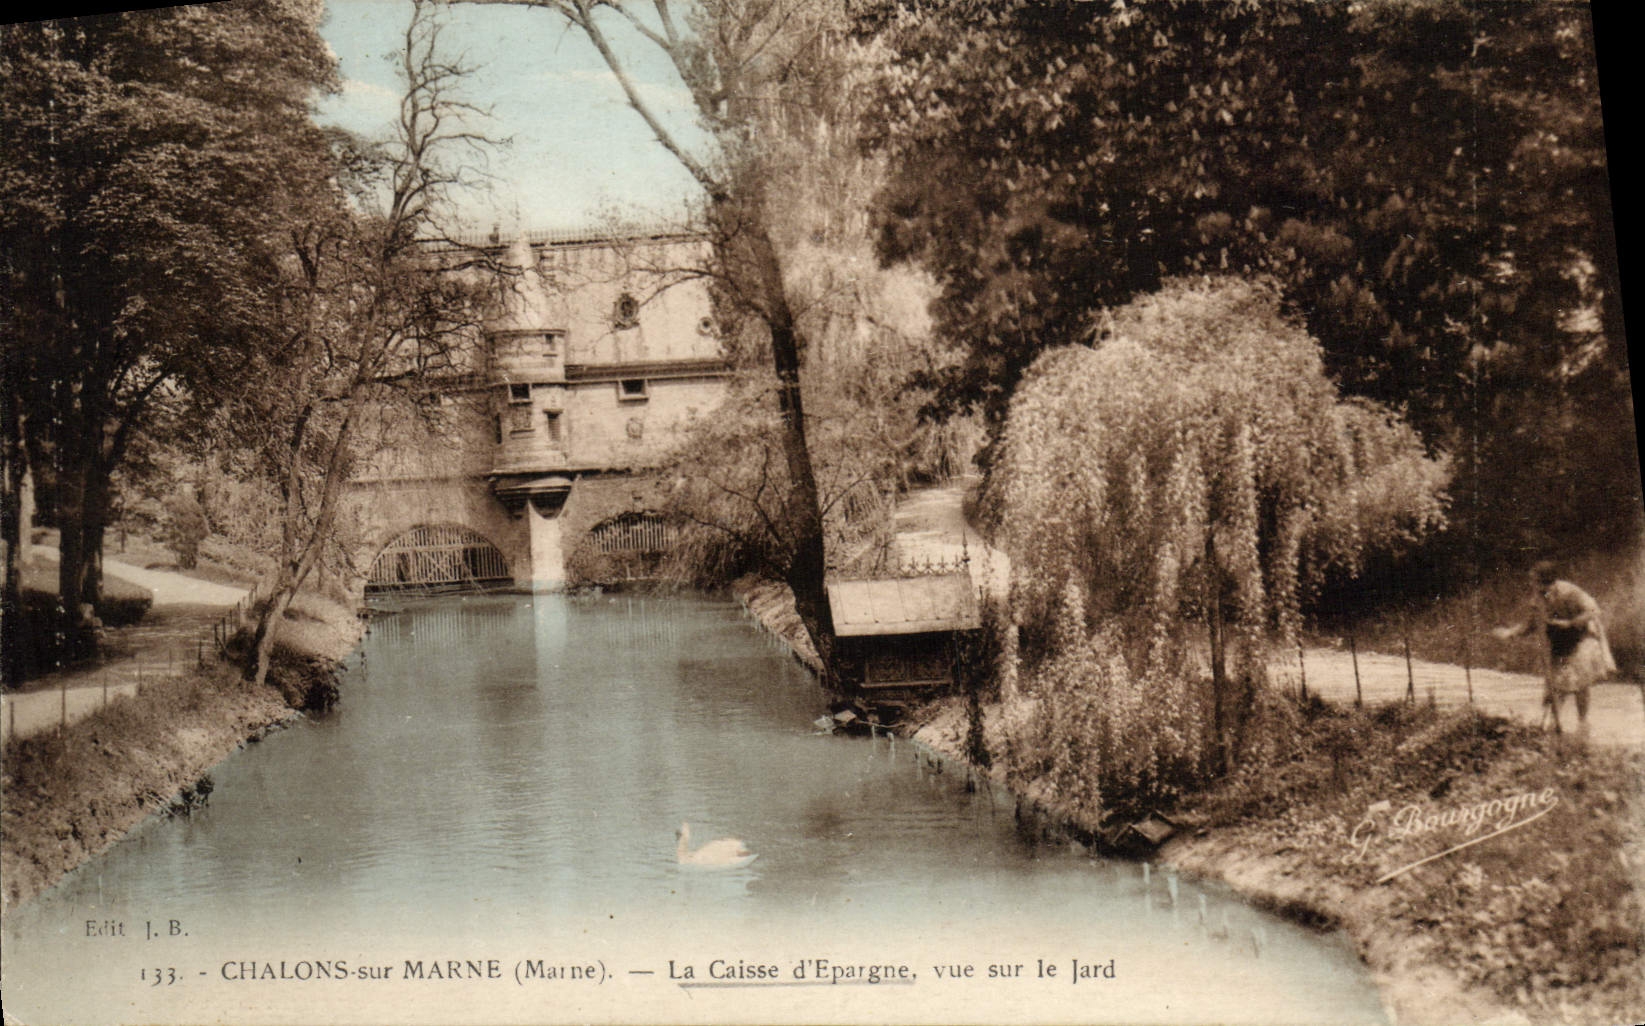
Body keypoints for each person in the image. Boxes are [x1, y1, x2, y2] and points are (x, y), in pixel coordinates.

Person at [1494, 561, 1616, 737]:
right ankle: (1553, 724)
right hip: (1559, 642)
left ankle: (1583, 723)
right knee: (1556, 683)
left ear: (1544, 580)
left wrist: (1570, 623)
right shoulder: (1538, 598)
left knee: (1579, 682)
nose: (1531, 583)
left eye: (1534, 579)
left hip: (1581, 638)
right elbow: (1531, 624)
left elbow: (1593, 611)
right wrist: (1510, 633)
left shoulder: (1569, 591)